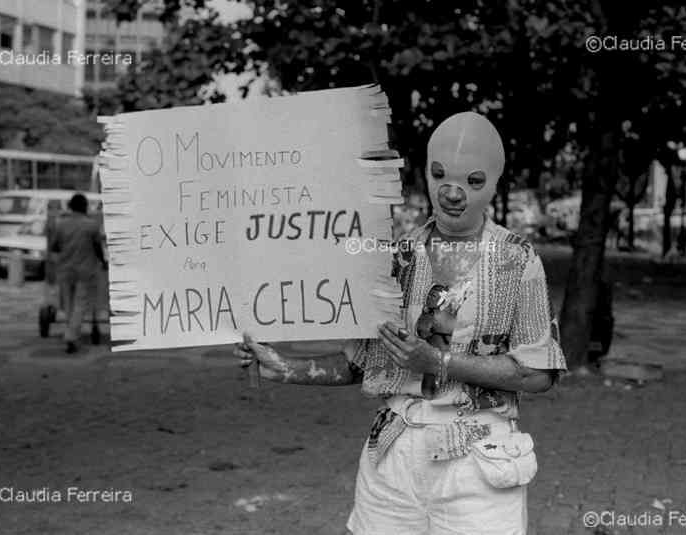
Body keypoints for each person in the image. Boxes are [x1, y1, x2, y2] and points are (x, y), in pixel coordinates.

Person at [235, 112, 567, 534]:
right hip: (392, 455)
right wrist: (280, 367)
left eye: (473, 181)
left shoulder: (516, 259)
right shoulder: (395, 257)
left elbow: (539, 374)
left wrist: (440, 362)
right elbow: (361, 363)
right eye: (439, 174)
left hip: (480, 459)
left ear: (495, 182)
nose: (452, 192)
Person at [49, 193, 106, 354]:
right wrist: (102, 262)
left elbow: (54, 247)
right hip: (85, 270)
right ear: (85, 207)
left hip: (65, 270)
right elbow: (97, 248)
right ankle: (71, 336)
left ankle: (71, 334)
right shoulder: (91, 225)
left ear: (70, 206)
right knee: (80, 305)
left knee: (68, 305)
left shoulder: (60, 224)